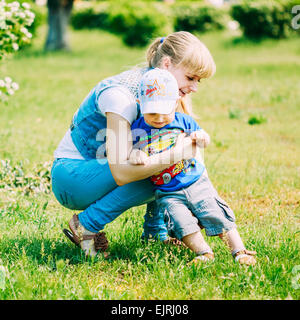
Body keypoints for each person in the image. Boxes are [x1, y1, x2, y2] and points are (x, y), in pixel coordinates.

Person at [51, 31, 216, 257]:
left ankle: (155, 234)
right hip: (72, 178)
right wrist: (177, 154)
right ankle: (86, 225)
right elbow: (121, 173)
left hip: (96, 171)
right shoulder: (122, 96)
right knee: (164, 165)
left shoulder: (157, 93)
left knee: (165, 158)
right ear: (167, 64)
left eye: (199, 81)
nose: (195, 88)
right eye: (190, 78)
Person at [129, 68, 257, 266]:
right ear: (140, 105)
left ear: (175, 103)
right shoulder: (138, 128)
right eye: (152, 112)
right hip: (167, 192)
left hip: (196, 182)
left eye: (165, 112)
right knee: (181, 223)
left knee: (215, 212)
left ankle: (239, 251)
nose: (159, 118)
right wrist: (136, 154)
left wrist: (202, 138)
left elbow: (203, 139)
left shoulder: (183, 121)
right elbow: (130, 151)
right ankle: (204, 253)